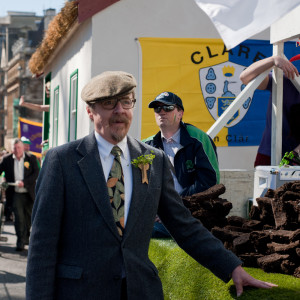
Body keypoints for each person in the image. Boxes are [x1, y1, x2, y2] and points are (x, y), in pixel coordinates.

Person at [26, 71, 277, 299]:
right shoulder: (61, 161)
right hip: (80, 292)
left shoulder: (153, 160)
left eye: (126, 102)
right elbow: (42, 243)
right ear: (90, 111)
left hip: (141, 291)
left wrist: (231, 267)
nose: (119, 110)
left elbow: (183, 224)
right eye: (108, 103)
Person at [144, 91, 219, 237]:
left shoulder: (199, 138)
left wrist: (173, 207)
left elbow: (210, 182)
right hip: (160, 212)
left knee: (142, 230)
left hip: (193, 210)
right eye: (157, 108)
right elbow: (142, 185)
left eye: (168, 108)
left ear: (180, 113)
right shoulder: (147, 145)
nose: (162, 112)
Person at [240, 55, 300, 167]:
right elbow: (245, 77)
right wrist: (273, 60)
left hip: (295, 158)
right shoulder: (287, 81)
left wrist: (296, 153)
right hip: (269, 154)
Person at [0, 138, 39, 251]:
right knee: (18, 218)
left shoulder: (31, 158)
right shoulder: (6, 159)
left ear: (23, 148)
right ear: (11, 149)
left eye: (18, 148)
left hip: (29, 193)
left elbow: (36, 173)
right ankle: (20, 241)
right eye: (14, 148)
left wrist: (24, 182)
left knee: (28, 217)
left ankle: (26, 237)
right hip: (15, 193)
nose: (17, 150)